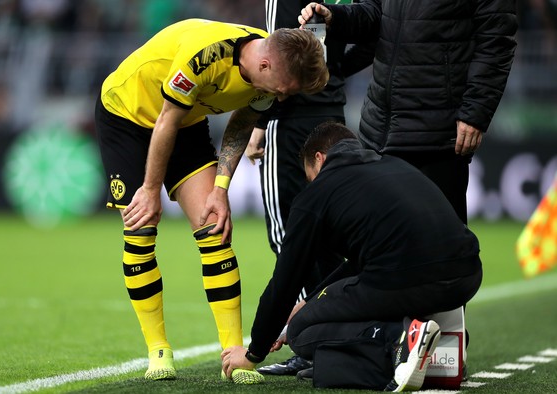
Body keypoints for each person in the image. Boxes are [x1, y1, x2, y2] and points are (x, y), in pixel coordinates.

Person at [94, 18, 328, 384]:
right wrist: (151, 188)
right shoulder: (204, 58)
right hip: (128, 117)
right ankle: (158, 350)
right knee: (141, 227)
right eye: (283, 89)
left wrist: (220, 189)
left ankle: (232, 356)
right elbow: (164, 121)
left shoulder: (269, 67)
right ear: (266, 66)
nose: (282, 97)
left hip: (185, 123)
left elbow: (242, 121)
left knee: (213, 228)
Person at [221, 122, 483, 391]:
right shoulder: (393, 165)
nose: (311, 181)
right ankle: (440, 353)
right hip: (467, 275)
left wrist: (254, 353)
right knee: (338, 303)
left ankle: (399, 339)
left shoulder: (316, 194)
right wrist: (310, 301)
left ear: (319, 159)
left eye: (309, 174)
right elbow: (360, 263)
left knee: (301, 333)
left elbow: (285, 281)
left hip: (409, 279)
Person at [299, 1, 518, 225]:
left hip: (435, 134)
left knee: (440, 244)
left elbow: (496, 41)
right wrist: (335, 16)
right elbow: (374, 13)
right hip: (378, 130)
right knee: (378, 243)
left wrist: (475, 112)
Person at [247, 0, 376, 376]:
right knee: (332, 238)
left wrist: (261, 122)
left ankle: (311, 341)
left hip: (289, 120)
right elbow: (372, 38)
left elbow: (274, 58)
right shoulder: (339, 4)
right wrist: (331, 75)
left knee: (291, 238)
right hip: (332, 117)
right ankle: (339, 338)